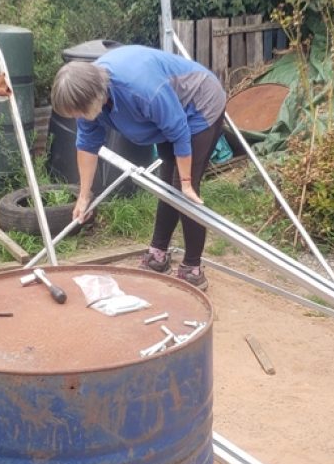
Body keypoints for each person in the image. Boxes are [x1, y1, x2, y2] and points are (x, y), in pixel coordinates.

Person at [51, 44, 227, 290]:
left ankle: (192, 268)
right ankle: (158, 254)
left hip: (199, 103)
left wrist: (186, 183)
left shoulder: (141, 89)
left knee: (182, 189)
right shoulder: (90, 99)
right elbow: (87, 146)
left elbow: (179, 130)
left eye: (78, 111)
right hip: (170, 112)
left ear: (93, 95)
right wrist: (83, 195)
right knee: (166, 185)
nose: (77, 117)